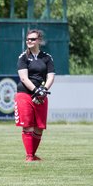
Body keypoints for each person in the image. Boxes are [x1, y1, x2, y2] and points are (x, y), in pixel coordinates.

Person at [15, 29, 55, 162]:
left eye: (32, 39)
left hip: (41, 95)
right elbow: (24, 78)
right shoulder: (23, 57)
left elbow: (51, 76)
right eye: (28, 39)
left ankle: (33, 154)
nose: (29, 41)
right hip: (25, 93)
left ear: (39, 41)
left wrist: (43, 90)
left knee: (39, 128)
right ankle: (29, 156)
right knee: (28, 125)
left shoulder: (47, 57)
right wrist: (36, 90)